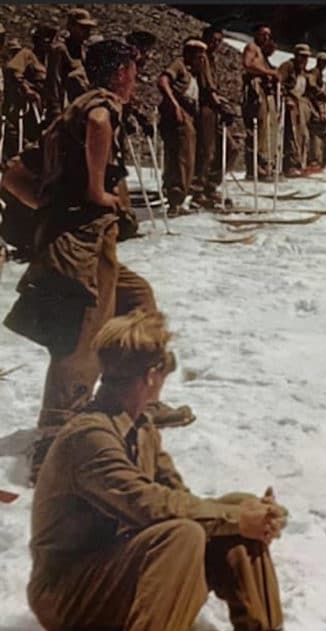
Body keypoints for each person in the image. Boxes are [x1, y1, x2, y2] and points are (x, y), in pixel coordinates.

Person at [2, 40, 193, 482]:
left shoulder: (68, 115)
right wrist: (92, 192)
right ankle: (53, 447)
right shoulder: (100, 105)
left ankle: (130, 398)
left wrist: (50, 208)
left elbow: (12, 173)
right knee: (80, 341)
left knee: (137, 301)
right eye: (133, 73)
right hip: (81, 247)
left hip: (87, 244)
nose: (135, 81)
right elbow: (100, 123)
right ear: (120, 72)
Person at [28, 309, 287, 631]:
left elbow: (179, 500)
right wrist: (237, 518)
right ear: (151, 375)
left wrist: (251, 515)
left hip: (115, 571)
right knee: (185, 534)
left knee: (234, 507)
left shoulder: (141, 427)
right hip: (66, 593)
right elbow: (146, 505)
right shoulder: (90, 436)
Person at [157, 38, 205, 216]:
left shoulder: (194, 73)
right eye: (199, 56)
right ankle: (175, 200)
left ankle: (178, 197)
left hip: (189, 114)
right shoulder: (179, 66)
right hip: (179, 114)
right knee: (182, 157)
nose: (202, 60)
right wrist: (175, 105)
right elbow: (163, 81)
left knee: (186, 156)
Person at [192, 25, 236, 208]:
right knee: (207, 150)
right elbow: (207, 87)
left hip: (214, 108)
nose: (215, 44)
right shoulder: (202, 58)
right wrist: (219, 104)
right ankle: (198, 191)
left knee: (230, 148)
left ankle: (210, 185)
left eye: (219, 41)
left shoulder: (212, 59)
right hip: (205, 108)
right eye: (213, 40)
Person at [2, 24, 54, 161]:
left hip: (44, 106)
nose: (48, 43)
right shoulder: (26, 54)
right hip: (30, 108)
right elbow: (13, 70)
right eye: (45, 40)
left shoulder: (48, 60)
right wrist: (27, 89)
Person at [44, 8, 96, 122]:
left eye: (89, 29)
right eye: (83, 28)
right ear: (71, 27)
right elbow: (54, 81)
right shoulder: (59, 50)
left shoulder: (83, 50)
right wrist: (55, 112)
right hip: (66, 108)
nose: (87, 32)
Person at [241, 24, 278, 180]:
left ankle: (263, 164)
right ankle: (254, 167)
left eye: (268, 35)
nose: (266, 38)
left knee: (266, 127)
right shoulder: (252, 47)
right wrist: (269, 72)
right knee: (256, 126)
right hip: (255, 90)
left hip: (264, 90)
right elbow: (247, 64)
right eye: (263, 34)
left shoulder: (262, 53)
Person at [276, 44, 312, 177]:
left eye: (306, 57)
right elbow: (278, 83)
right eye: (302, 56)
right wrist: (286, 98)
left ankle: (298, 163)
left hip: (298, 106)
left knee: (301, 135)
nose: (304, 59)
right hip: (288, 106)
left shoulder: (303, 72)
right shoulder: (288, 67)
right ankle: (288, 165)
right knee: (290, 135)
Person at [305, 52, 326, 170]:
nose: (324, 64)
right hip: (311, 108)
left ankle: (315, 159)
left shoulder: (318, 73)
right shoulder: (315, 72)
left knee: (315, 134)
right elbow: (313, 87)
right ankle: (324, 160)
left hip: (315, 108)